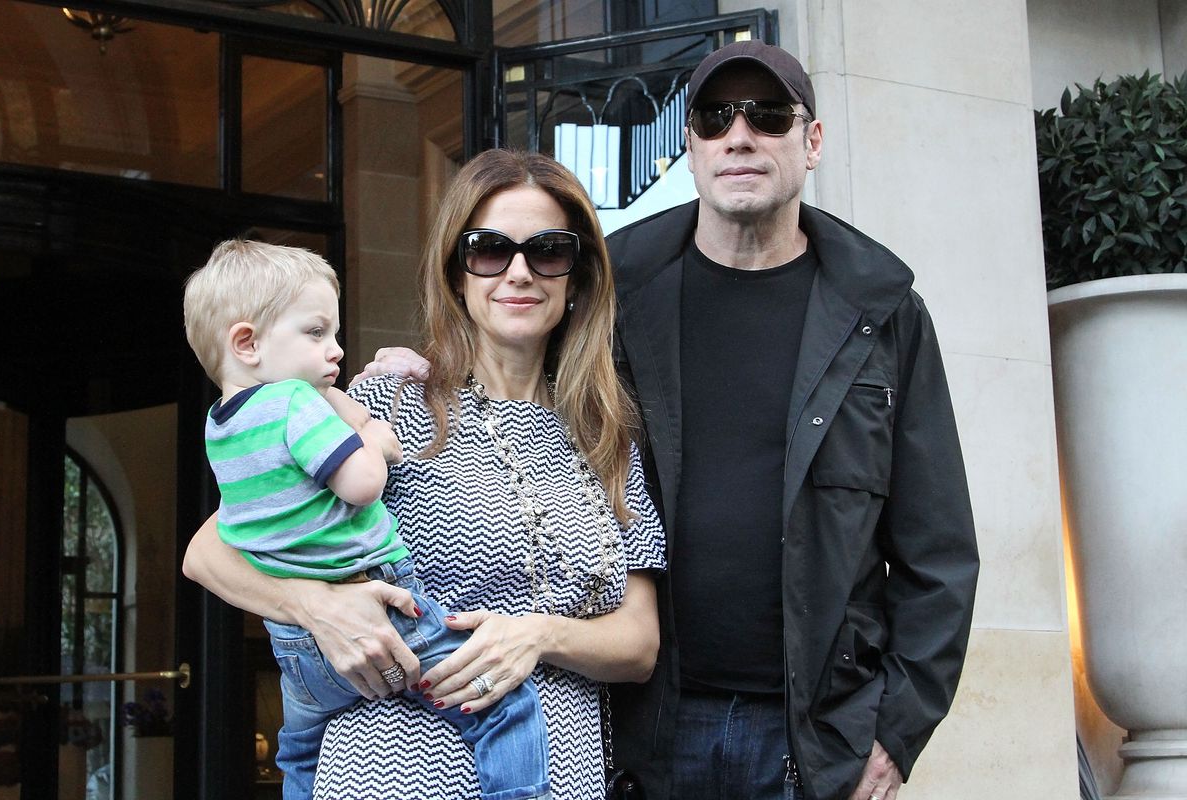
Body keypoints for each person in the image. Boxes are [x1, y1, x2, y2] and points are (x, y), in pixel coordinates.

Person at [361, 40, 980, 800]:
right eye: (716, 118)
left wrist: (895, 734)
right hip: (643, 731)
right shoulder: (618, 296)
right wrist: (417, 370)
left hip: (814, 733)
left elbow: (939, 553)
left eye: (769, 116)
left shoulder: (880, 314)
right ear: (690, 146)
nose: (740, 136)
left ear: (811, 141)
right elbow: (505, 352)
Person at [182, 149, 666, 800]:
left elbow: (638, 644)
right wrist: (319, 609)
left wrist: (536, 637)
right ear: (457, 272)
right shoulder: (387, 403)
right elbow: (211, 551)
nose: (519, 272)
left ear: (576, 275)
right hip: (396, 769)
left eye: (548, 251)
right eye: (490, 250)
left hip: (567, 773)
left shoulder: (609, 434)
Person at [181, 240, 554, 800]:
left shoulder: (221, 425)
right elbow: (363, 482)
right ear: (248, 342)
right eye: (315, 333)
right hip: (380, 611)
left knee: (299, 748)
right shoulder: (293, 404)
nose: (335, 350)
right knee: (506, 707)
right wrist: (374, 438)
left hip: (295, 649)